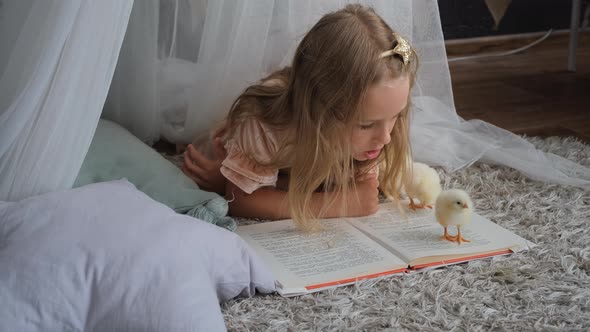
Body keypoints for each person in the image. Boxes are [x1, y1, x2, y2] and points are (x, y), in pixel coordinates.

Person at [181, 4, 418, 231]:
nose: (386, 138)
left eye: (396, 116)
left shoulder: (375, 127)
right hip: (282, 131)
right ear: (319, 111)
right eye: (366, 125)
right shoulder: (264, 126)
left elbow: (348, 186)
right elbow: (243, 201)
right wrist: (341, 204)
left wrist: (267, 188)